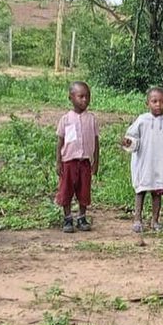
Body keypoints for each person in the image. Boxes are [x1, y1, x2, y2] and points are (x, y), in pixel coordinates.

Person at [121, 87, 163, 233]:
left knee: (157, 192)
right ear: (147, 103)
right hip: (144, 163)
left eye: (162, 102)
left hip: (160, 163)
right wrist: (128, 142)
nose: (158, 104)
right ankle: (137, 219)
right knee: (141, 190)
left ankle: (155, 220)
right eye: (154, 101)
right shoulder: (142, 120)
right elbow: (133, 139)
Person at [56, 80, 99, 233]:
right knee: (66, 190)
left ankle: (81, 217)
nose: (85, 100)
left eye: (87, 96)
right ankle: (67, 218)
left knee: (84, 190)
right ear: (71, 98)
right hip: (68, 162)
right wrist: (58, 162)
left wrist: (96, 162)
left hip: (85, 162)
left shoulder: (92, 119)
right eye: (81, 96)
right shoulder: (66, 119)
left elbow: (96, 141)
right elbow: (60, 141)